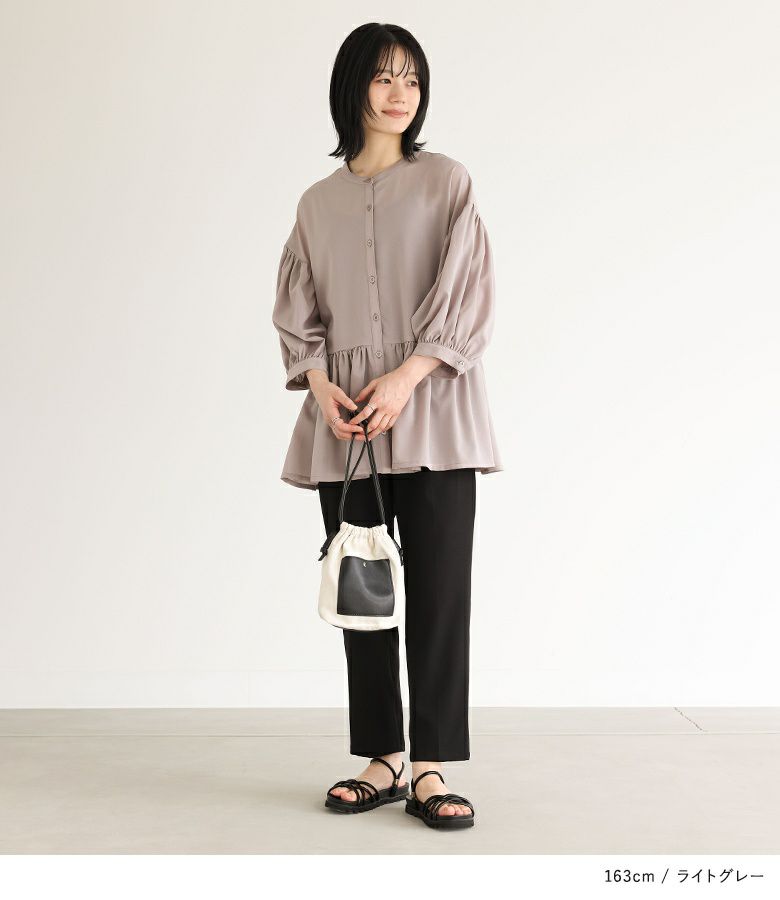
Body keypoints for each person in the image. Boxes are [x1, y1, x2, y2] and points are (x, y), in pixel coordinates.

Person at [271, 23, 503, 830]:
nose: (400, 93)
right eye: (383, 78)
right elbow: (300, 314)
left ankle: (431, 765)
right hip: (348, 428)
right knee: (363, 591)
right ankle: (383, 757)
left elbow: (468, 292)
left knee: (439, 595)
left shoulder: (446, 182)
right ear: (353, 88)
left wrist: (407, 377)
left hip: (433, 411)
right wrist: (322, 385)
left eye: (411, 78)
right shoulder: (316, 204)